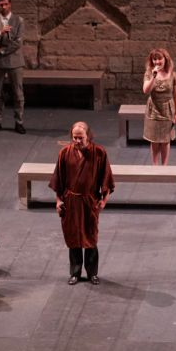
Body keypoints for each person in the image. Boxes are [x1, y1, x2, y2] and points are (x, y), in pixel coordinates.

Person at [49, 122, 114, 285]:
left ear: (88, 136)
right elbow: (59, 181)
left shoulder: (99, 153)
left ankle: (92, 273)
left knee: (91, 237)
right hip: (71, 201)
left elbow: (106, 178)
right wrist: (58, 201)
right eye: (75, 138)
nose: (77, 141)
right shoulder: (65, 153)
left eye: (81, 138)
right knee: (73, 237)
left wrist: (104, 200)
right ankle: (75, 272)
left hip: (90, 201)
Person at [0, 0, 26, 135]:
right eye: (1, 5)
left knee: (18, 93)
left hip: (14, 62)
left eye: (6, 4)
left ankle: (19, 122)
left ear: (10, 4)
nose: (4, 7)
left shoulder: (19, 21)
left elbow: (18, 42)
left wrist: (2, 51)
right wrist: (0, 32)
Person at [142, 48, 176, 165]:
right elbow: (146, 90)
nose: (157, 61)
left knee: (165, 140)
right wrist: (154, 76)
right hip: (153, 109)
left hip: (167, 109)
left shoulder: (174, 75)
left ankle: (164, 166)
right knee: (154, 140)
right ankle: (155, 166)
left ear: (165, 59)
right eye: (154, 59)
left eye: (159, 58)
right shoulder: (149, 73)